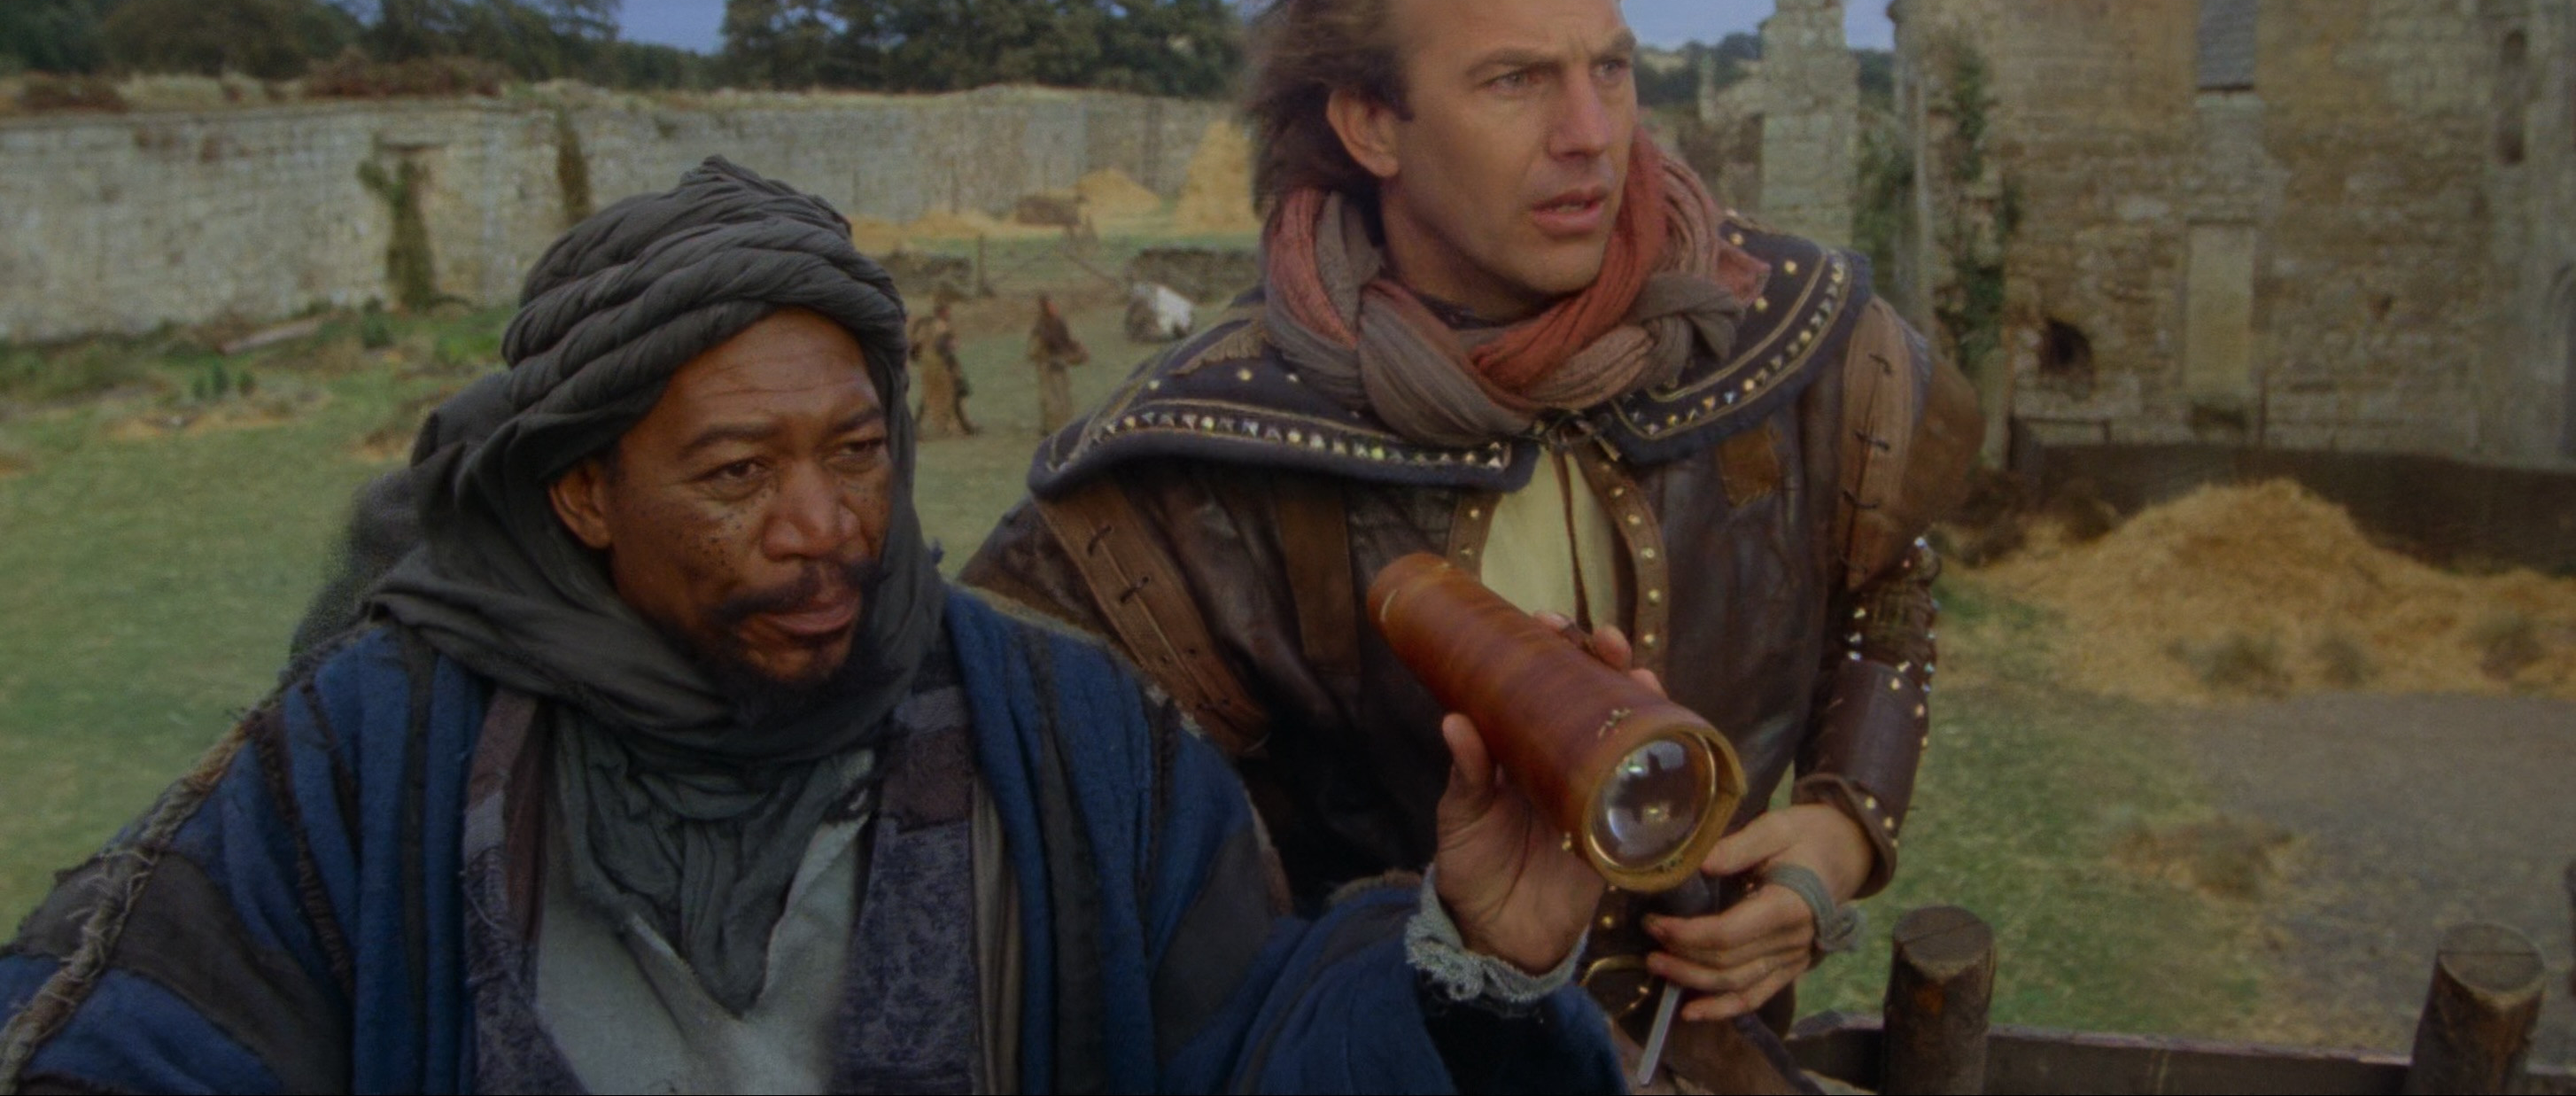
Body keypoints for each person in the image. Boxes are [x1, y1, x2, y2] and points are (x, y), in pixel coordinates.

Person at [0, 159, 1626, 1095]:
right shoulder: (387, 749)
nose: (823, 526)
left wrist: (1474, 960)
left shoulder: (1070, 747)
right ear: (585, 493)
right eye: (735, 474)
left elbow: (1250, 1058)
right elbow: (129, 1030)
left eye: (855, 452)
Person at [964, 0, 1980, 1090]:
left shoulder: (1791, 340)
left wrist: (1839, 832)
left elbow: (1890, 590)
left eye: (1609, 68)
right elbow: (1094, 858)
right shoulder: (1213, 457)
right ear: (1371, 124)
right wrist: (1439, 962)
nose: (1591, 133)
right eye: (1515, 80)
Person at [910, 291, 975, 438]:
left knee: (929, 394)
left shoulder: (925, 324)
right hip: (940, 364)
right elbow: (942, 346)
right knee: (950, 393)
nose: (949, 313)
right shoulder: (941, 326)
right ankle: (959, 426)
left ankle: (918, 425)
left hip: (926, 364)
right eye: (947, 311)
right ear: (942, 312)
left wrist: (919, 358)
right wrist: (952, 357)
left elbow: (914, 347)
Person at [1027, 294, 1089, 437]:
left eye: (1053, 305)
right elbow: (1033, 351)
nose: (1053, 308)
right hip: (1046, 367)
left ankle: (1064, 427)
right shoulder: (1040, 327)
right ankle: (1050, 429)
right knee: (1050, 400)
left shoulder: (1060, 323)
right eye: (1050, 306)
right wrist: (1044, 357)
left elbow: (1066, 342)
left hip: (1060, 365)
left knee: (1063, 398)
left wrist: (1077, 350)